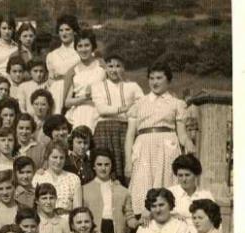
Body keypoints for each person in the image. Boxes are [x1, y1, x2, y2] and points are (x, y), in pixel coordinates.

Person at [125, 61, 195, 214]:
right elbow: (130, 135)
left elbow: (182, 134)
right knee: (142, 185)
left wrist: (188, 142)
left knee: (166, 186)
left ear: (168, 80)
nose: (154, 82)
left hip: (167, 149)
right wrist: (128, 162)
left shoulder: (176, 104)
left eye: (159, 78)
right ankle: (142, 223)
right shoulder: (139, 103)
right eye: (151, 78)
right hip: (143, 148)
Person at [91, 53, 144, 186]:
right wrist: (124, 108)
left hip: (126, 129)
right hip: (104, 128)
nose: (114, 70)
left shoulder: (132, 86)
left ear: (123, 68)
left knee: (127, 165)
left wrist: (132, 109)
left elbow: (142, 104)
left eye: (118, 66)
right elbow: (102, 109)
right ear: (105, 68)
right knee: (105, 165)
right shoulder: (97, 86)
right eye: (110, 66)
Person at [63, 30, 105, 133]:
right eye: (80, 46)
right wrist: (85, 97)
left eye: (87, 45)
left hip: (99, 112)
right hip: (80, 113)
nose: (83, 49)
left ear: (93, 46)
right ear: (76, 48)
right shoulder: (73, 71)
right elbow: (67, 102)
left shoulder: (102, 67)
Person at [167, 154, 215, 233]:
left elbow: (216, 223)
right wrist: (171, 216)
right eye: (180, 175)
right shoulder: (169, 193)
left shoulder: (206, 195)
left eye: (187, 175)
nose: (184, 179)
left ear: (196, 175)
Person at [32, 142, 82, 214]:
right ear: (47, 157)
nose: (58, 161)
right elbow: (35, 206)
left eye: (61, 158)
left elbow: (77, 210)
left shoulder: (73, 178)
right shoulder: (38, 178)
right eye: (55, 157)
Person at [46, 14, 81, 115]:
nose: (64, 33)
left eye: (67, 29)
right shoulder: (52, 55)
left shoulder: (81, 53)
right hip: (56, 92)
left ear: (74, 31)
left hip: (75, 91)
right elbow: (50, 79)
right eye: (61, 30)